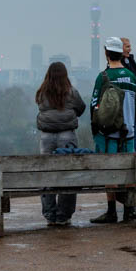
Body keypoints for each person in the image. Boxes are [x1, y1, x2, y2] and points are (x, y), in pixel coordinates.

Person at [90, 37, 136, 223]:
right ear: (121, 53)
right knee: (129, 171)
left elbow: (94, 105)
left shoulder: (103, 77)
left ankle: (111, 211)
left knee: (109, 172)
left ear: (106, 53)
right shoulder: (131, 76)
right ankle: (129, 210)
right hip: (128, 133)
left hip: (108, 134)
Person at [35, 61, 87, 225]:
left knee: (47, 174)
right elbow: (81, 108)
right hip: (67, 135)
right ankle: (64, 214)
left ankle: (50, 214)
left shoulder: (42, 93)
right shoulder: (71, 92)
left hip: (46, 137)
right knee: (68, 175)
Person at [120, 38, 136, 153]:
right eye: (127, 47)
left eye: (130, 46)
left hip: (134, 101)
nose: (130, 49)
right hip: (124, 102)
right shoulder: (118, 63)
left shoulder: (131, 61)